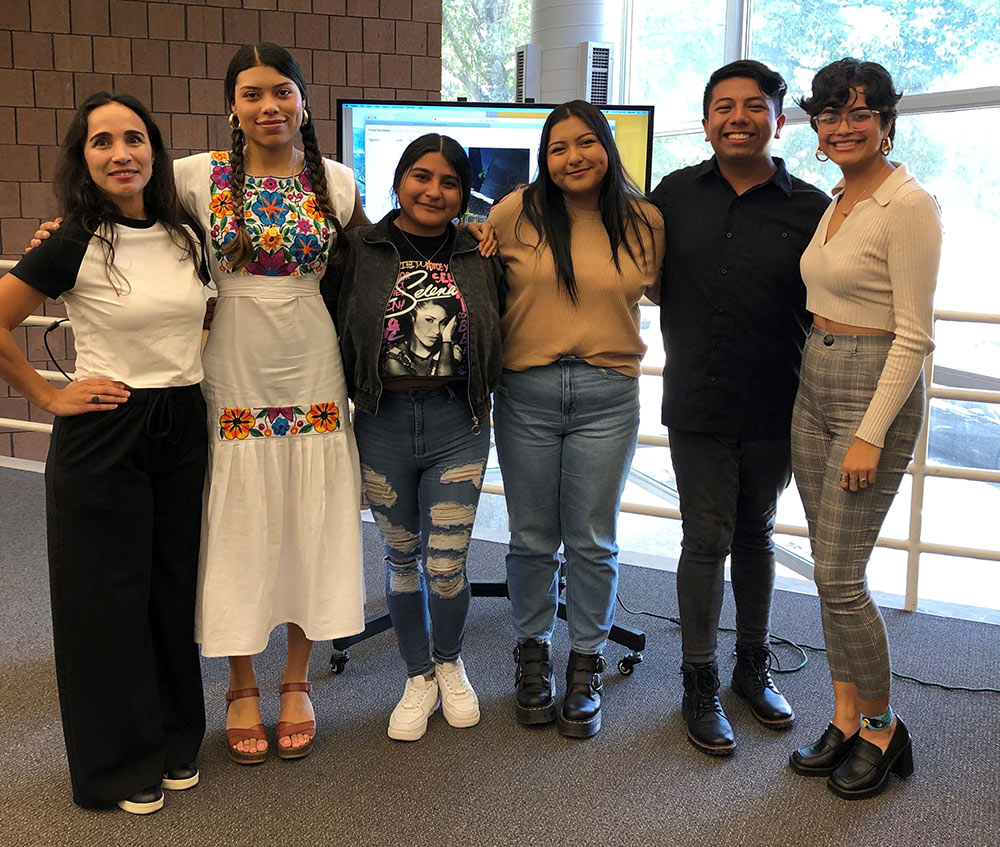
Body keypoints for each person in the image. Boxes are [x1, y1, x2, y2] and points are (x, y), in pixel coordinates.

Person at [0, 92, 208, 814]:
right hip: (106, 426)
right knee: (105, 600)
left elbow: (198, 319)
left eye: (134, 138)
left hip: (182, 420)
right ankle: (118, 765)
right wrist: (46, 396)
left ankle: (177, 739)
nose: (122, 153)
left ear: (155, 148)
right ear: (83, 158)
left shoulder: (188, 236)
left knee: (172, 587)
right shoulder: (72, 240)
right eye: (102, 142)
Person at [170, 42, 373, 763]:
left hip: (312, 362)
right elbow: (122, 216)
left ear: (303, 101)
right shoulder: (196, 177)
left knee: (308, 515)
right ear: (232, 105)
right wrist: (59, 238)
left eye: (282, 92)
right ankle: (240, 679)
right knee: (241, 516)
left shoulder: (338, 182)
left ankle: (296, 678)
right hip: (233, 361)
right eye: (253, 94)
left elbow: (390, 257)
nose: (269, 107)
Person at [649, 60, 829, 755]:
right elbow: (615, 250)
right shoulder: (672, 196)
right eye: (723, 106)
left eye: (755, 106)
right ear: (705, 121)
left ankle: (751, 668)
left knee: (756, 535)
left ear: (779, 122)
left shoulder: (813, 208)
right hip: (695, 398)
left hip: (777, 401)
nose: (737, 117)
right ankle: (699, 680)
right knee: (705, 537)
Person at [789, 58, 941, 799]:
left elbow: (914, 336)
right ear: (815, 125)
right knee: (826, 565)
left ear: (886, 120)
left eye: (859, 113)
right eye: (830, 114)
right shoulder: (841, 197)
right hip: (814, 379)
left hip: (872, 387)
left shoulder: (907, 204)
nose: (843, 126)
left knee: (841, 578)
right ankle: (845, 713)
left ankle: (883, 724)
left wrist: (870, 432)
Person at [488, 100, 664, 738]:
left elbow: (681, 291)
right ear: (545, 157)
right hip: (526, 391)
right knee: (531, 536)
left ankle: (585, 662)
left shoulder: (643, 220)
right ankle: (531, 655)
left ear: (607, 147)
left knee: (592, 538)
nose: (573, 158)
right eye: (558, 147)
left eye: (585, 143)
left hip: (607, 393)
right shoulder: (515, 212)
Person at [323, 133, 505, 741]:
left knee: (447, 564)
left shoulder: (480, 250)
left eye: (449, 182)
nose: (433, 191)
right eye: (420, 177)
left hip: (458, 424)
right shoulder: (359, 249)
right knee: (401, 558)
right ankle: (417, 674)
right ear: (399, 181)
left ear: (463, 193)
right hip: (383, 423)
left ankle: (451, 663)